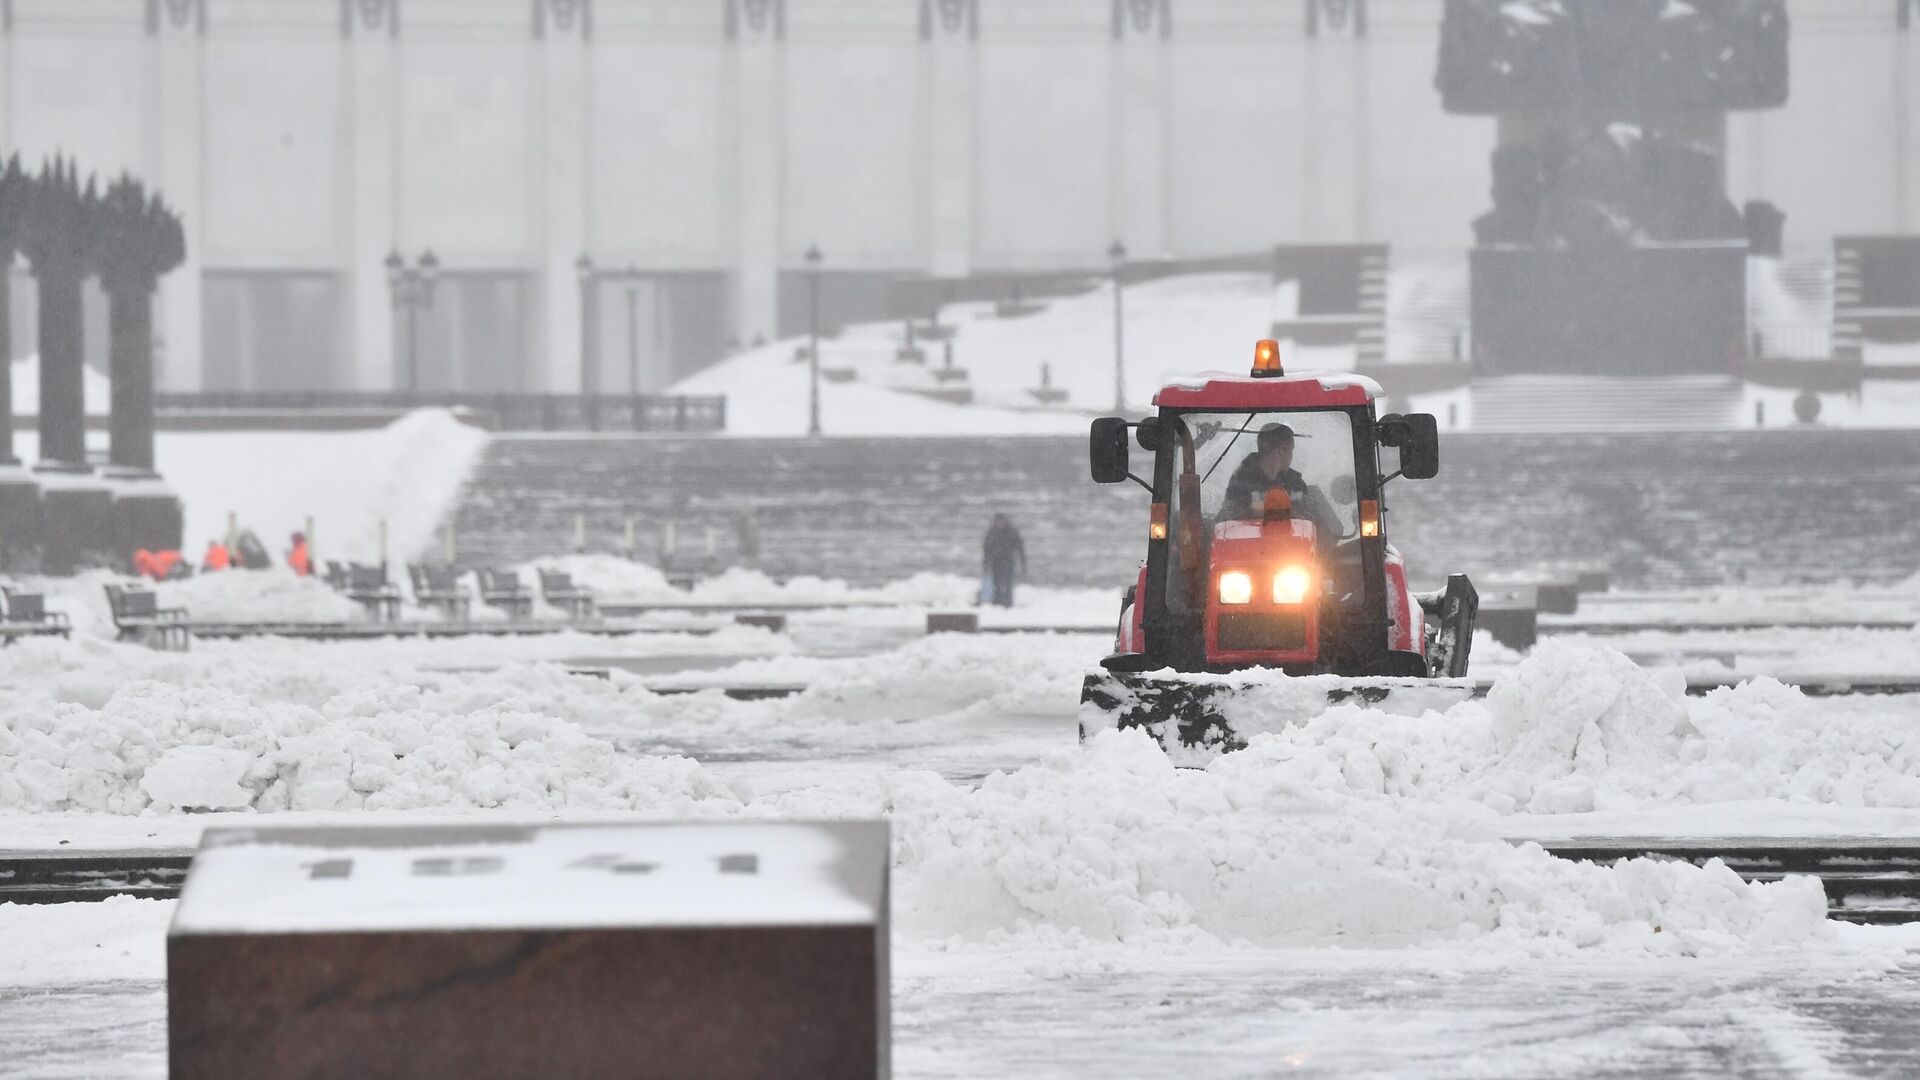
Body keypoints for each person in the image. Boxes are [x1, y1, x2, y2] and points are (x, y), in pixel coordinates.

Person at [1220, 423, 1342, 542]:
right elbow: (1227, 522)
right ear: (1283, 450)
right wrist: (1255, 511)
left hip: (1293, 553)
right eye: (1291, 450)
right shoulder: (1241, 481)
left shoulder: (1296, 484)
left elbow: (1314, 525)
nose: (1291, 456)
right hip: (1246, 554)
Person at [981, 513, 1026, 608]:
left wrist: (1023, 563)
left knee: (1008, 582)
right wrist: (986, 564)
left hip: (1008, 562)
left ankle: (1008, 602)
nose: (1000, 523)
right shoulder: (992, 532)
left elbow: (1019, 547)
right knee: (996, 582)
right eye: (998, 521)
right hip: (996, 562)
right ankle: (997, 601)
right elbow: (987, 549)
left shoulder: (1012, 532)